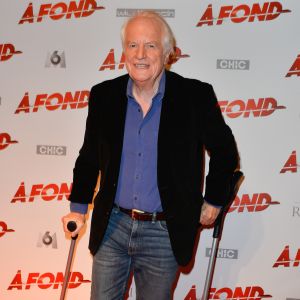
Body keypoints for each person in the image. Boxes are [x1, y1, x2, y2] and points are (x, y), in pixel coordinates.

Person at [62, 10, 239, 300]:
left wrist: (214, 199)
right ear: (123, 52)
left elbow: (225, 151)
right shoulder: (104, 96)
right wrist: (78, 208)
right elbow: (89, 157)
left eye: (151, 45)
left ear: (168, 52)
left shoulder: (194, 96)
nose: (140, 54)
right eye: (133, 45)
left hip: (164, 232)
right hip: (113, 228)